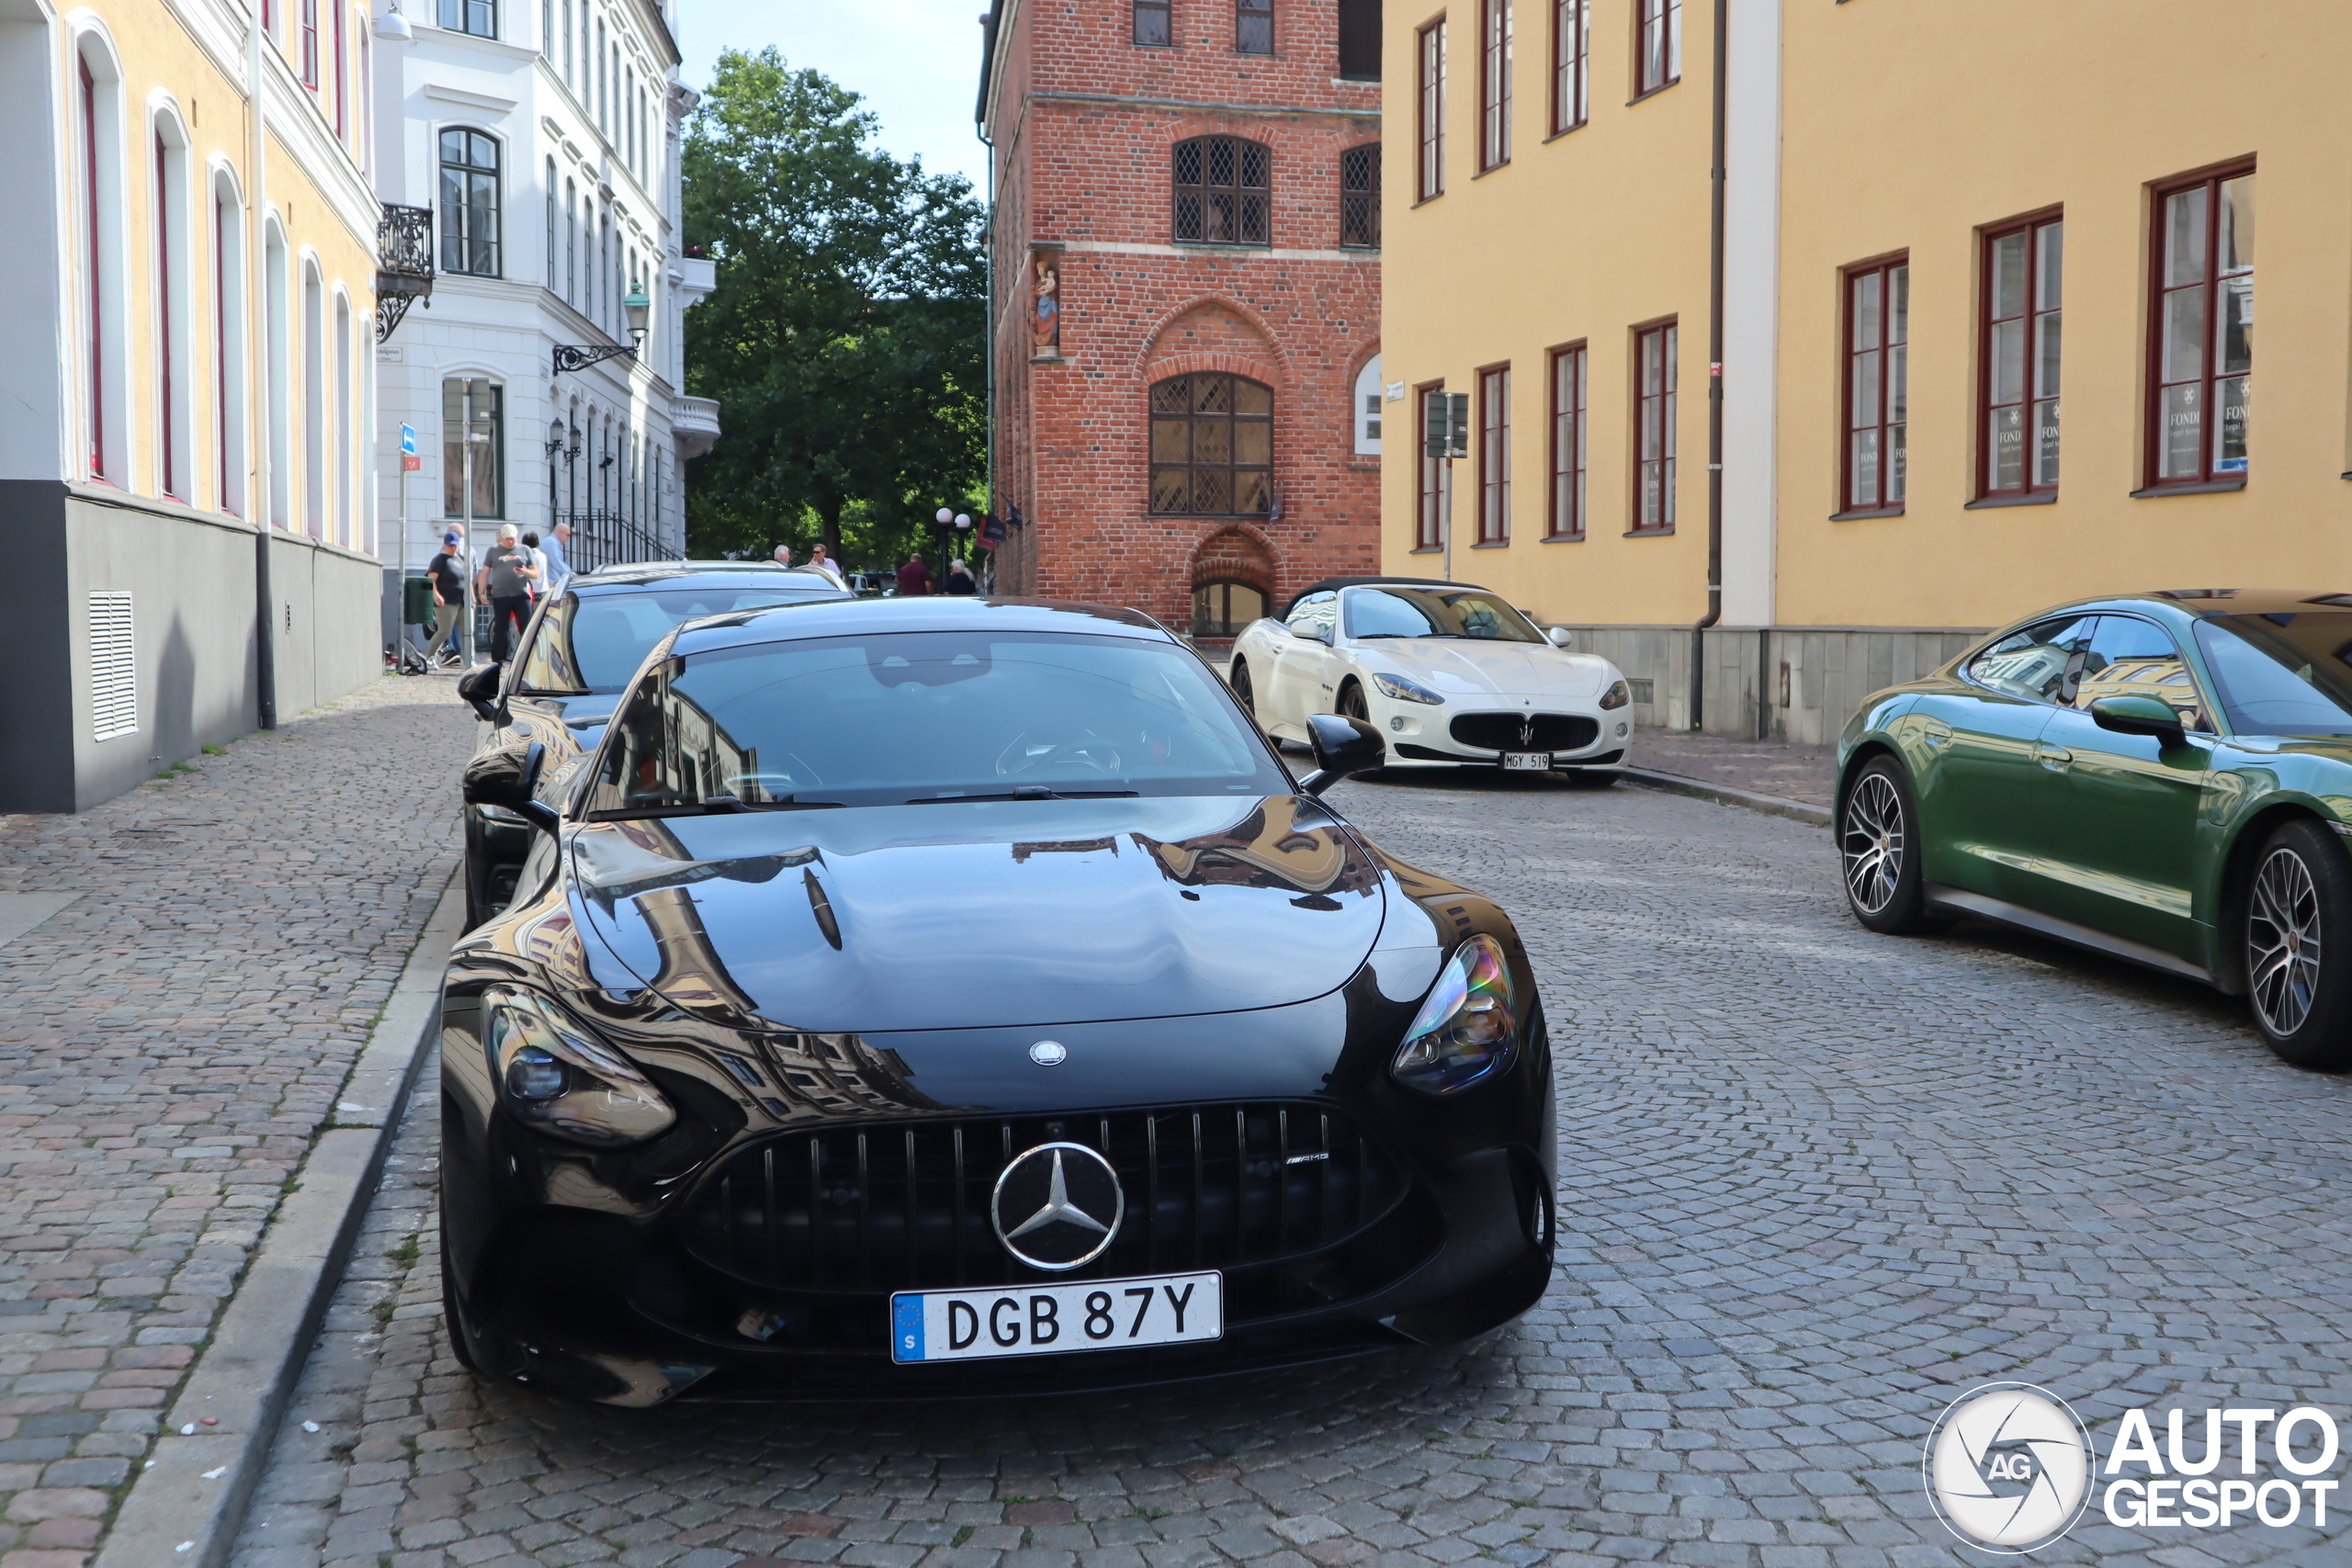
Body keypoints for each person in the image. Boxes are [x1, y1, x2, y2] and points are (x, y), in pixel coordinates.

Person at [476, 524, 537, 662]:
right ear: (501, 538)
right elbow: (485, 572)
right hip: (501, 596)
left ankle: (529, 658)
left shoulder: (525, 550)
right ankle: (498, 660)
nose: (510, 542)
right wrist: (481, 592)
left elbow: (536, 572)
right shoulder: (493, 551)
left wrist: (526, 572)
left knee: (526, 626)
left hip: (521, 595)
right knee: (501, 629)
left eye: (513, 539)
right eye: (507, 539)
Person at [424, 529, 467, 668]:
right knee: (444, 631)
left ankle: (468, 659)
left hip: (462, 600)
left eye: (455, 545)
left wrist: (472, 598)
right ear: (445, 545)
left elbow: (467, 579)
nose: (453, 547)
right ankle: (429, 657)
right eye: (451, 545)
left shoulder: (461, 559)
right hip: (446, 601)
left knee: (467, 631)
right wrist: (436, 594)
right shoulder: (439, 560)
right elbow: (431, 580)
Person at [541, 520, 574, 596]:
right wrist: (571, 575)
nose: (569, 538)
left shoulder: (553, 543)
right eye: (568, 535)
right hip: (549, 586)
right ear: (560, 532)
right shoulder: (550, 542)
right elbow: (558, 564)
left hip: (552, 584)